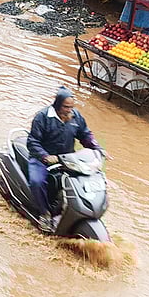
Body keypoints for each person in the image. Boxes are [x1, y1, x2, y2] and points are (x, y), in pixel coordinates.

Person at [26, 87, 101, 227]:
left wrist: (97, 148)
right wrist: (45, 156)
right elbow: (32, 141)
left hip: (67, 159)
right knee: (37, 181)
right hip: (42, 159)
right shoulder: (42, 117)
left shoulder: (75, 116)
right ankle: (44, 214)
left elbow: (85, 134)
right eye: (66, 107)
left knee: (83, 180)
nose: (69, 110)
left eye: (71, 107)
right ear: (57, 104)